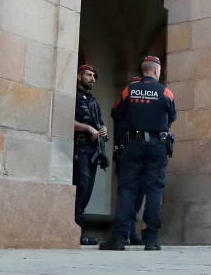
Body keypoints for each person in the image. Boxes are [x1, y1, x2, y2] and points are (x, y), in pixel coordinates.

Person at [100, 56, 176, 251]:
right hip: (157, 146)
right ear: (156, 71)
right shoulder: (165, 92)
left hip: (133, 144)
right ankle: (151, 240)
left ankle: (118, 239)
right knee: (154, 190)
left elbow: (116, 114)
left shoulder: (129, 90)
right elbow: (172, 117)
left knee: (127, 190)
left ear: (143, 70)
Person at [73, 64, 108, 246]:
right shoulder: (73, 97)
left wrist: (103, 130)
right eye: (88, 75)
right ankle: (75, 231)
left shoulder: (93, 101)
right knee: (81, 187)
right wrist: (87, 127)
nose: (92, 78)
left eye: (94, 76)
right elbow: (64, 119)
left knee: (87, 190)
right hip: (79, 147)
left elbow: (99, 123)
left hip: (93, 150)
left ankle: (78, 229)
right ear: (79, 77)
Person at [111, 76, 144, 246]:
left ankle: (131, 231)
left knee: (138, 194)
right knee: (126, 193)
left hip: (139, 152)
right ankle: (124, 232)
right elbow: (115, 114)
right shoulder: (121, 104)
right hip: (124, 151)